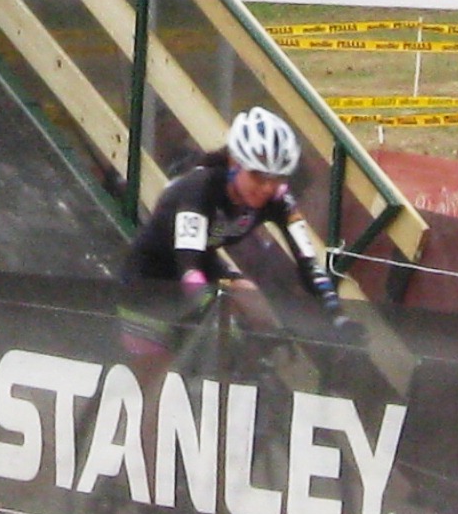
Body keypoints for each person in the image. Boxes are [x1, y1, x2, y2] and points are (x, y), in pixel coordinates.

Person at [119, 107, 362, 390]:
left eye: (277, 178)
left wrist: (337, 317)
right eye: (259, 176)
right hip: (148, 285)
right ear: (235, 162)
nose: (266, 188)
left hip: (201, 267)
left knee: (253, 301)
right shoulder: (199, 189)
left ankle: (251, 389)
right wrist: (220, 315)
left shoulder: (277, 198)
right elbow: (189, 267)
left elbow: (308, 264)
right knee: (155, 390)